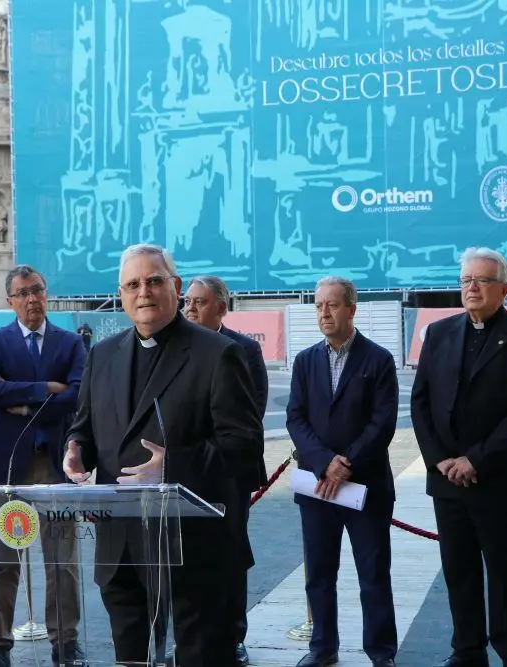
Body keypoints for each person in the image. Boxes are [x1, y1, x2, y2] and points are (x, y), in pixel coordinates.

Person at [63, 243, 263, 667]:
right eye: (133, 284)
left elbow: (245, 447)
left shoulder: (218, 353)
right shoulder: (102, 355)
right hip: (121, 544)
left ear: (175, 286)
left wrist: (172, 467)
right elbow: (86, 427)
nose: (144, 292)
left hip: (195, 547)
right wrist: (75, 450)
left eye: (154, 281)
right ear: (121, 295)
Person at [410, 248, 507, 667]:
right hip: (447, 480)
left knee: (505, 573)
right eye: (466, 280)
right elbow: (420, 402)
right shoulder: (438, 333)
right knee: (458, 570)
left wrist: (476, 460)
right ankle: (467, 651)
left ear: (504, 290)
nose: (472, 287)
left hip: (497, 480)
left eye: (482, 280)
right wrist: (440, 460)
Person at [0, 265, 88, 667]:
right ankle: (0, 644)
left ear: (46, 294)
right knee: (5, 561)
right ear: (10, 301)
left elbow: (77, 394)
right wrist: (46, 390)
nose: (31, 299)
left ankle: (65, 642)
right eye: (22, 293)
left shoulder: (70, 343)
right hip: (8, 467)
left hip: (56, 465)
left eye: (37, 290)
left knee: (62, 561)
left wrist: (22, 402)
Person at [286, 276, 399, 667]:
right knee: (319, 573)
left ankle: (381, 652)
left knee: (373, 574)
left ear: (351, 309)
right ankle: (323, 647)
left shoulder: (378, 359)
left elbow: (382, 423)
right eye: (319, 306)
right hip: (317, 487)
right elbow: (295, 418)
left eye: (332, 305)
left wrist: (346, 463)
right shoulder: (305, 361)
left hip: (365, 488)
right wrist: (324, 462)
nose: (324, 313)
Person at [184, 274, 268, 667]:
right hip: (185, 472)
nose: (190, 308)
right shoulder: (176, 346)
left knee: (231, 554)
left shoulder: (245, 350)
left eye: (199, 302)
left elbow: (252, 411)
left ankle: (234, 636)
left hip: (230, 473)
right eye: (187, 301)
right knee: (186, 556)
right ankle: (191, 634)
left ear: (221, 307)